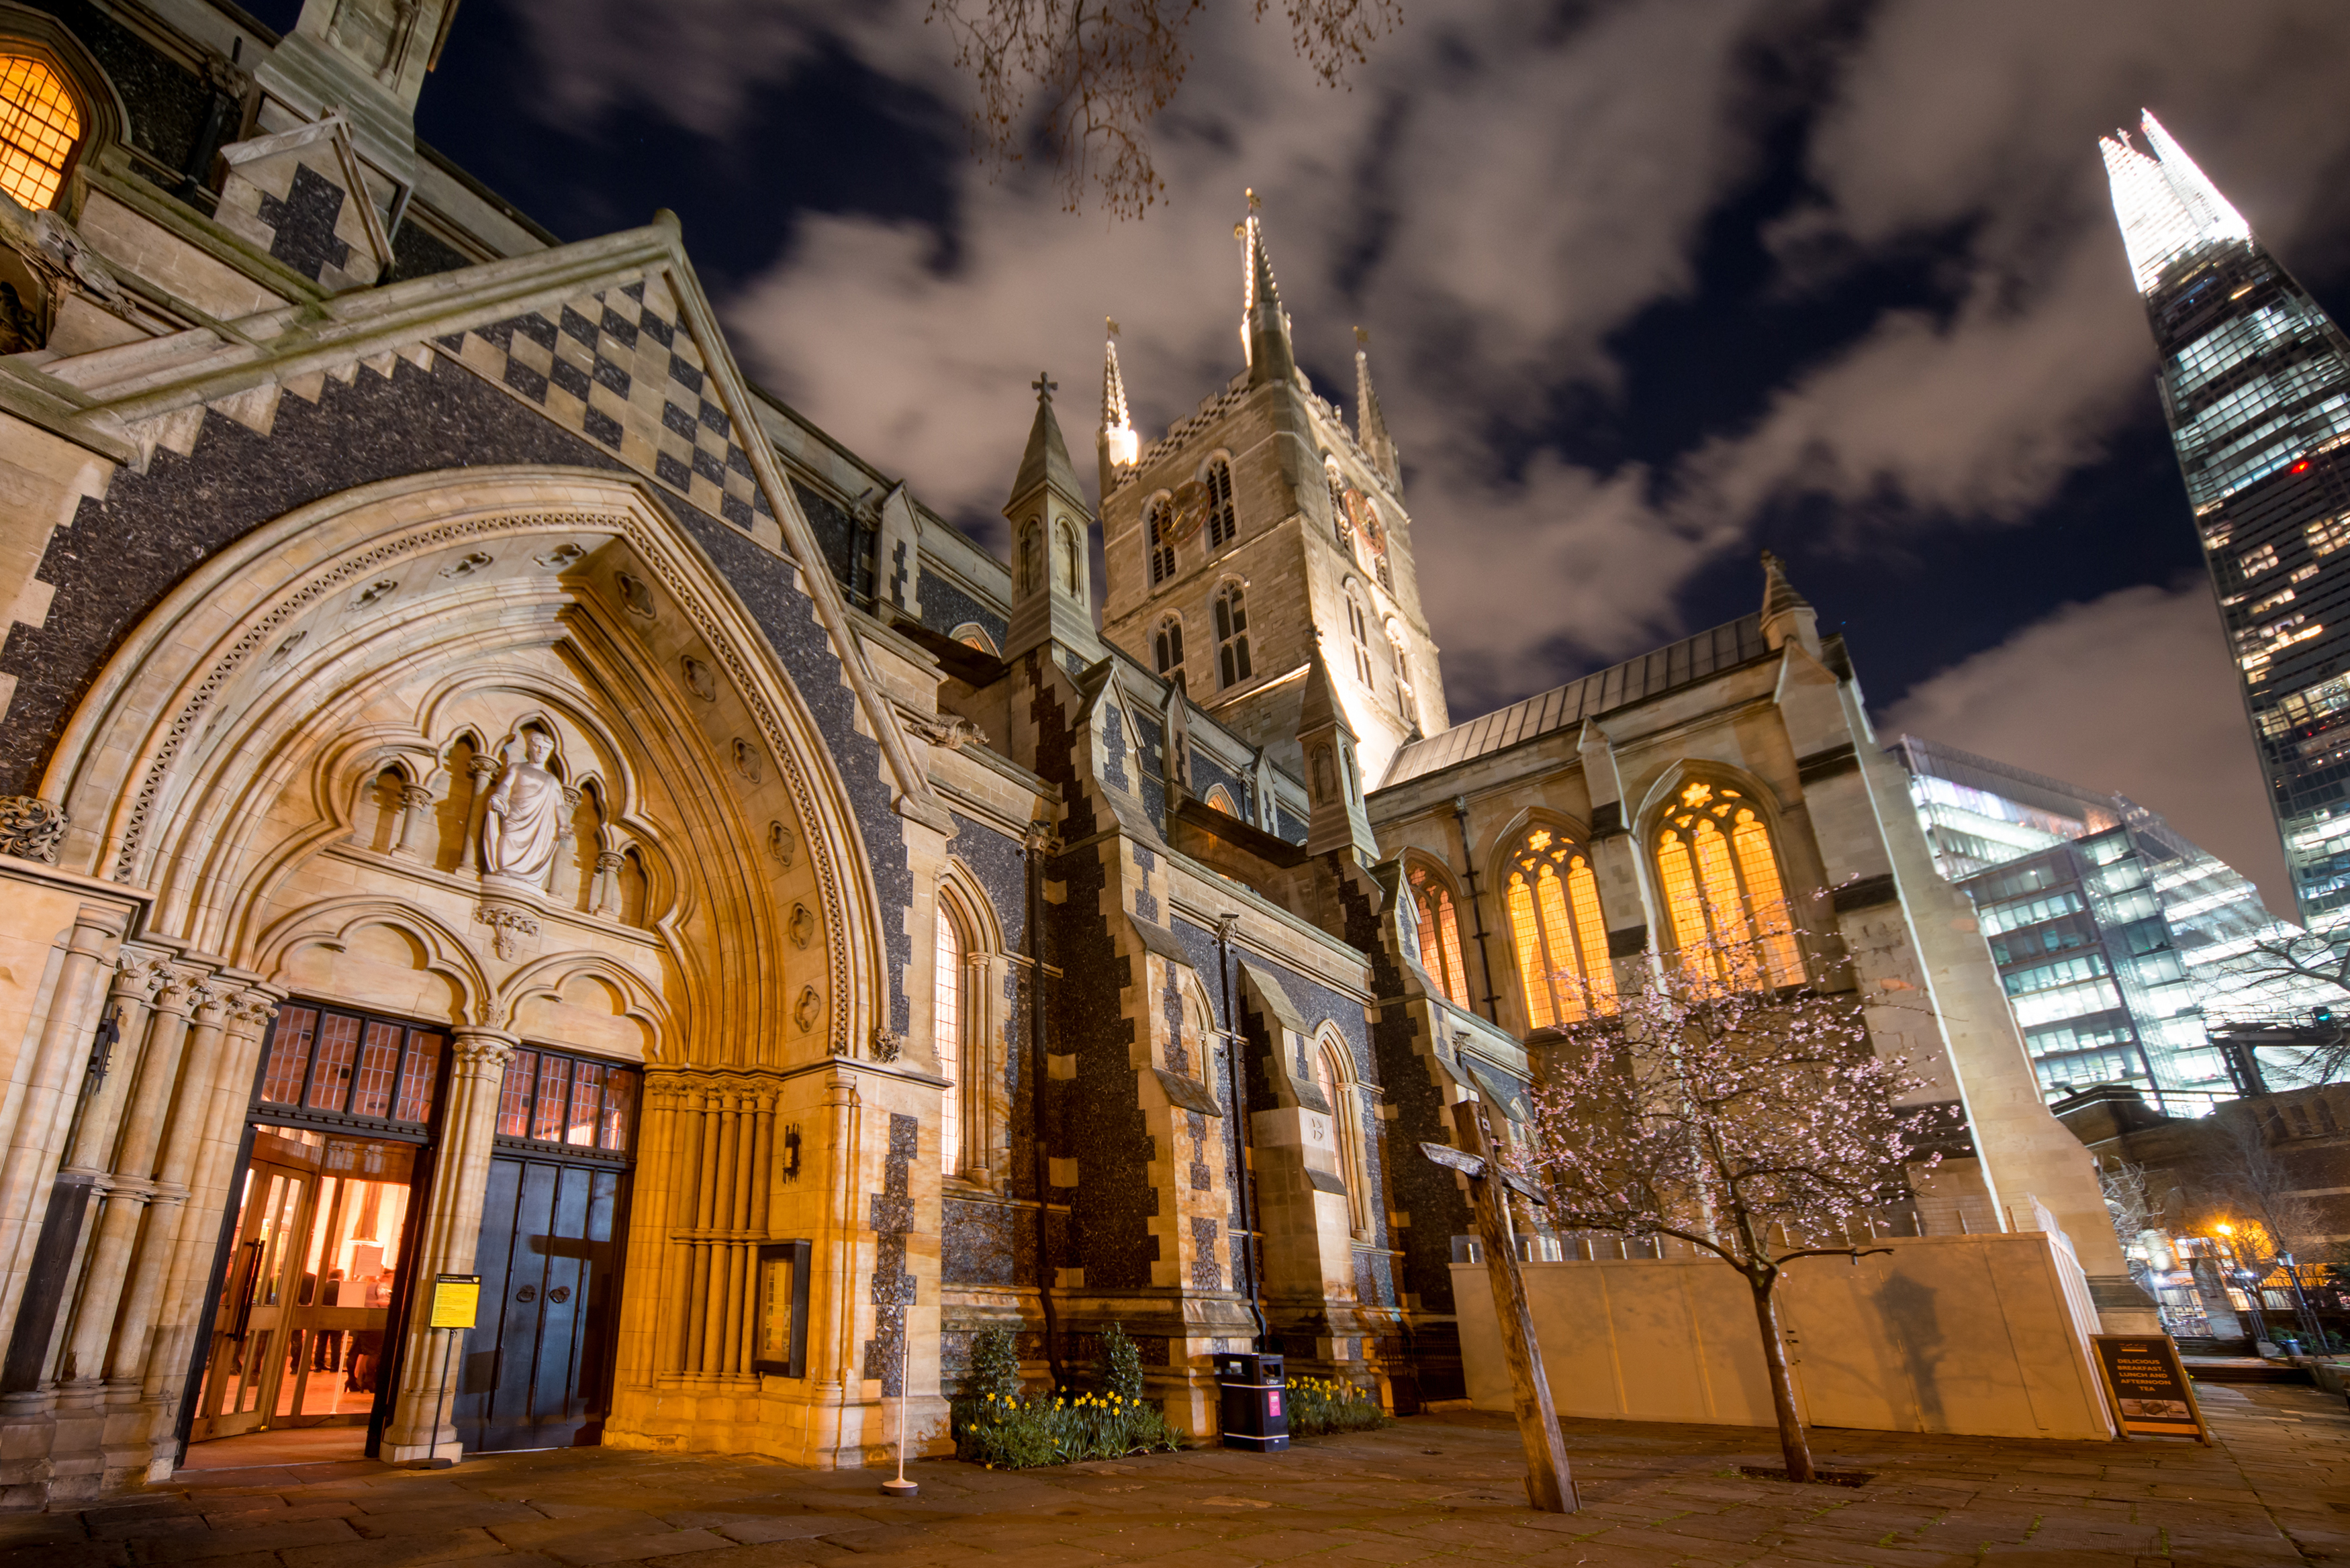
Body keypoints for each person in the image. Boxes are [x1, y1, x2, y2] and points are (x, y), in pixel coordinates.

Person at [481, 730, 563, 885]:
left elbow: (559, 805)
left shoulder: (552, 780)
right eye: (538, 747)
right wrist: (499, 796)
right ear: (530, 748)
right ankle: (505, 869)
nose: (541, 751)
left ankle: (526, 875)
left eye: (546, 749)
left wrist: (564, 825)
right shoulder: (517, 767)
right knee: (509, 838)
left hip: (538, 824)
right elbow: (506, 785)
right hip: (516, 814)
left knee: (536, 849)